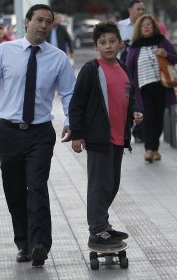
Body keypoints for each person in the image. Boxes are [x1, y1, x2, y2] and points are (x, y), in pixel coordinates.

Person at [0, 4, 76, 267]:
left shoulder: (58, 58)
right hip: (9, 132)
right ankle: (23, 243)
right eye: (39, 20)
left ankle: (40, 245)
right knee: (14, 190)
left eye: (48, 21)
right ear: (26, 22)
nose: (43, 25)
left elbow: (69, 93)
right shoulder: (6, 51)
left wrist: (72, 121)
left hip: (40, 133)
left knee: (36, 187)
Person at [68, 21, 143, 250]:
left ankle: (103, 224)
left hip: (119, 137)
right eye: (102, 42)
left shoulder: (122, 68)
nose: (108, 46)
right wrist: (77, 135)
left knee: (112, 184)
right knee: (99, 185)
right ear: (96, 47)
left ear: (120, 44)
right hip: (99, 137)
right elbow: (77, 104)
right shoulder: (91, 70)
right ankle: (96, 230)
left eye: (112, 41)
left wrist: (135, 112)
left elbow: (128, 98)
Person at [126, 14, 177, 162]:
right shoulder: (135, 46)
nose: (146, 27)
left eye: (149, 24)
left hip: (161, 86)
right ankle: (149, 150)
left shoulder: (162, 42)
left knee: (159, 119)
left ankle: (155, 149)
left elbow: (176, 58)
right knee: (148, 118)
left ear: (153, 26)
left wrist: (166, 53)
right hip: (143, 89)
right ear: (139, 29)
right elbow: (128, 69)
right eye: (143, 25)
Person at [117, 0, 145, 143]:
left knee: (140, 99)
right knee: (124, 98)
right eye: (138, 9)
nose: (141, 12)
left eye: (143, 9)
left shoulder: (146, 26)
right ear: (130, 10)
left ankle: (139, 131)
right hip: (122, 67)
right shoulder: (120, 26)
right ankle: (125, 129)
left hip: (141, 70)